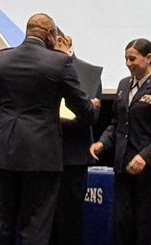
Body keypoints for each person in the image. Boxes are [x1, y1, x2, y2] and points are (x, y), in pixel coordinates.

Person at [0, 12, 95, 245]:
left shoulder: (1, 59)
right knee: (35, 223)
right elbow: (82, 108)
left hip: (4, 148)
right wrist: (92, 109)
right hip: (42, 154)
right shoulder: (59, 62)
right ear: (50, 35)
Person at [91, 38, 151, 245]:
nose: (129, 64)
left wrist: (144, 157)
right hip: (122, 166)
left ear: (148, 58)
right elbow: (116, 123)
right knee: (122, 223)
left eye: (133, 59)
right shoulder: (122, 85)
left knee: (146, 226)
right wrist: (101, 142)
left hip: (149, 170)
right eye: (126, 59)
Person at [52, 28, 102, 245]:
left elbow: (89, 118)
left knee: (70, 219)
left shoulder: (88, 72)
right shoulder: (46, 68)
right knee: (47, 220)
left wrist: (53, 120)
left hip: (73, 156)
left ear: (60, 41)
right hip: (45, 154)